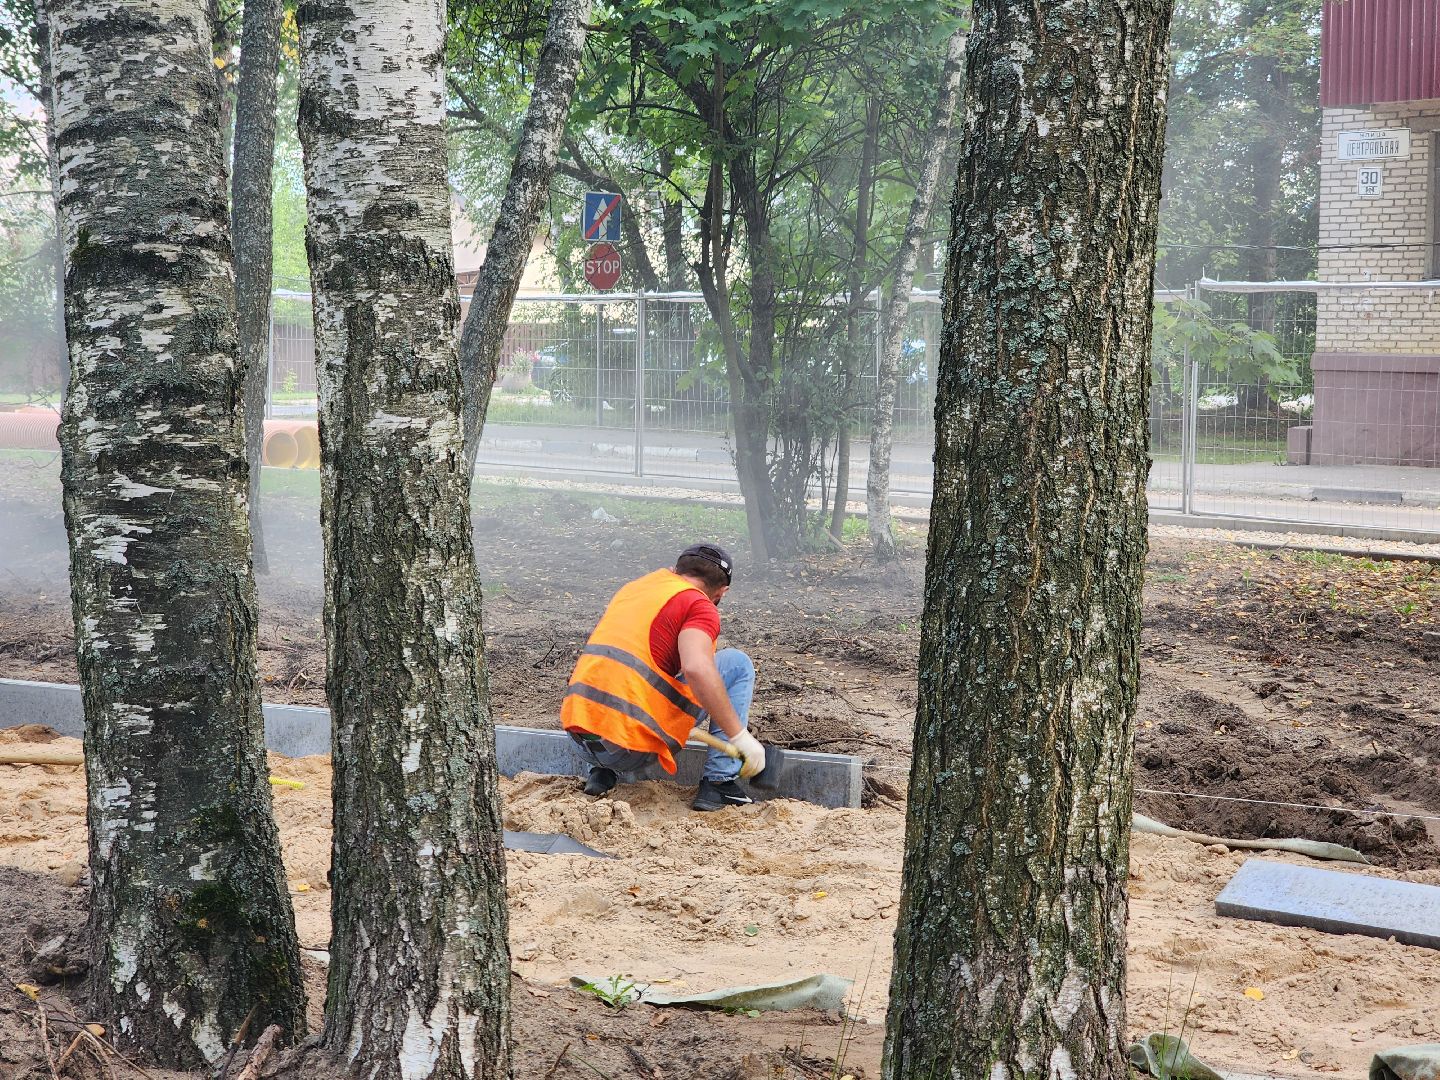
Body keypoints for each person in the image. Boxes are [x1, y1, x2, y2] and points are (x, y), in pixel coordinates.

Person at [561, 543, 765, 812]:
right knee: (736, 664)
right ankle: (719, 783)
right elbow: (696, 669)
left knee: (616, 674)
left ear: (675, 570)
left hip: (579, 739)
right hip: (626, 750)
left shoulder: (636, 589)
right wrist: (739, 737)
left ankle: (602, 772)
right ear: (721, 592)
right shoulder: (699, 604)